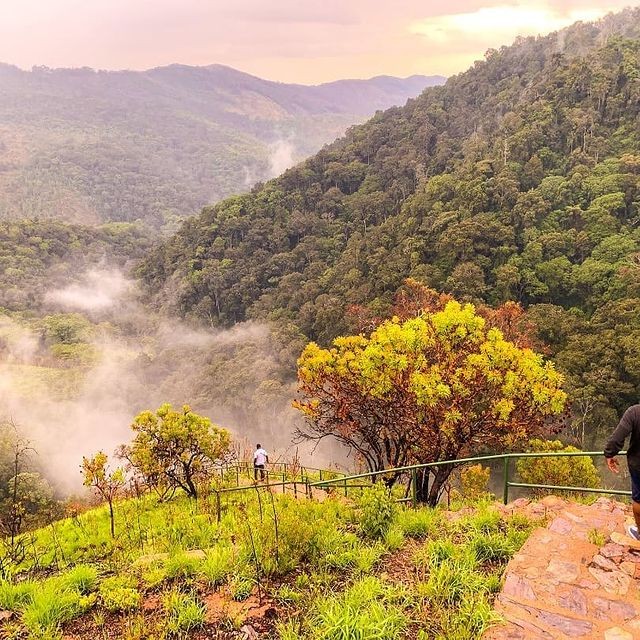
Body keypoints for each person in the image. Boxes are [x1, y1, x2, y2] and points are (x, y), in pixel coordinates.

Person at [604, 404, 640, 540]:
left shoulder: (635, 412)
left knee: (638, 499)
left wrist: (609, 454)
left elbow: (617, 437)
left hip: (638, 466)